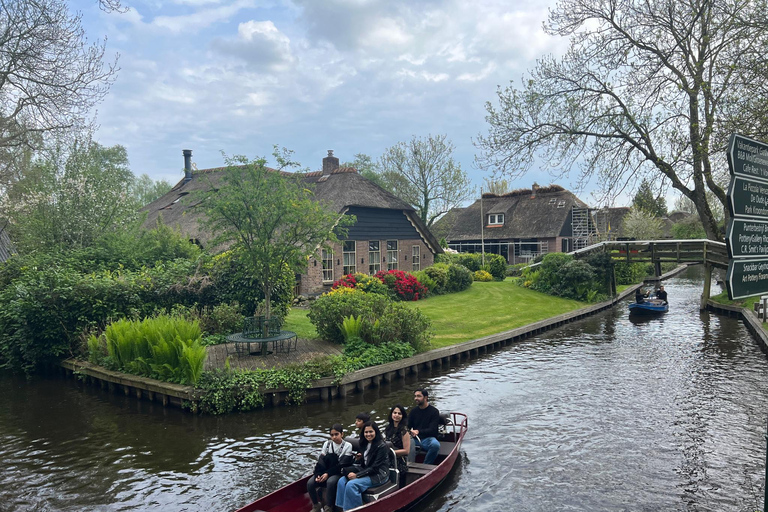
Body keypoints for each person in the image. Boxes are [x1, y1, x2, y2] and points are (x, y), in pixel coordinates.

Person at [335, 421, 390, 511]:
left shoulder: (381, 446)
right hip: (367, 470)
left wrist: (357, 475)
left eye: (371, 432)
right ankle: (341, 508)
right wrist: (359, 459)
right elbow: (365, 462)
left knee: (351, 485)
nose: (368, 434)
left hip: (379, 474)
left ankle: (356, 510)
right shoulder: (364, 444)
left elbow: (375, 467)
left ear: (376, 432)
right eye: (366, 432)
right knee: (341, 481)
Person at [307, 424, 353, 512]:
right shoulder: (327, 444)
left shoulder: (348, 446)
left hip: (338, 471)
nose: (334, 437)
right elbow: (321, 461)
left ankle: (328, 507)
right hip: (325, 470)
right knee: (310, 483)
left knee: (331, 482)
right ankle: (316, 505)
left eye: (336, 434)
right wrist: (318, 474)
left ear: (342, 434)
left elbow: (342, 465)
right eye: (332, 435)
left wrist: (328, 474)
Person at [407, 388, 441, 464]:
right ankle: (408, 464)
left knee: (435, 445)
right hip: (415, 439)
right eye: (415, 396)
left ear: (426, 398)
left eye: (419, 396)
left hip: (428, 439)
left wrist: (418, 431)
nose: (416, 398)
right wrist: (408, 431)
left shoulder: (434, 412)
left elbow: (433, 429)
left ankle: (426, 465)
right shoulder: (413, 411)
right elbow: (408, 425)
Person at [384, 404, 410, 487]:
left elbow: (406, 451)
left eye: (399, 413)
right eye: (395, 413)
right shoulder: (388, 428)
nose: (396, 415)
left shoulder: (404, 431)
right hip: (387, 458)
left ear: (402, 416)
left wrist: (392, 452)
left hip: (398, 461)